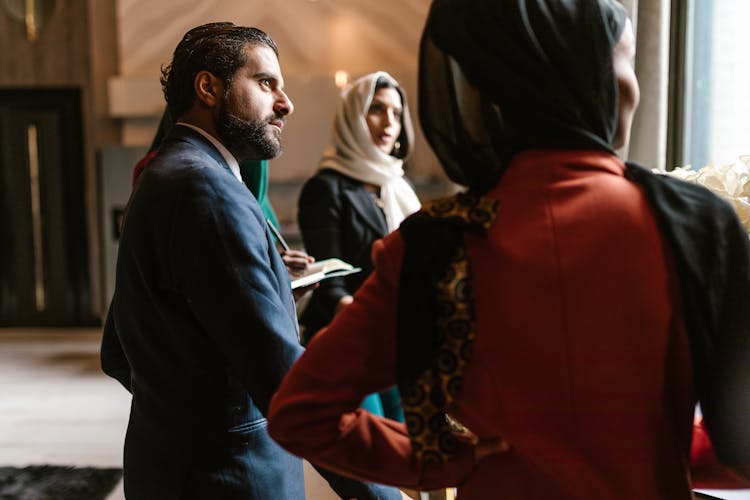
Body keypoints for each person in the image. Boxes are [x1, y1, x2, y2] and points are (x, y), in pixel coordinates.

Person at [268, 1, 750, 498]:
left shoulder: (435, 243)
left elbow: (300, 413)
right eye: (625, 60)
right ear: (593, 78)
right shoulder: (694, 224)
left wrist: (441, 460)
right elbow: (742, 442)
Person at [100, 22, 402, 499]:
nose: (286, 103)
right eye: (266, 83)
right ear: (208, 87)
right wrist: (383, 494)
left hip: (167, 466)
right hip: (231, 478)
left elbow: (118, 350)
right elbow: (284, 383)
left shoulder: (165, 174)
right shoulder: (208, 190)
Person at [297, 71, 420, 419]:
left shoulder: (395, 185)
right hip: (353, 340)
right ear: (353, 116)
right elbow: (332, 286)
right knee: (379, 455)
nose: (389, 123)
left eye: (396, 113)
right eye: (377, 109)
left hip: (400, 338)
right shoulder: (326, 188)